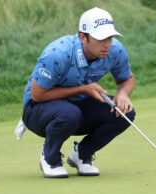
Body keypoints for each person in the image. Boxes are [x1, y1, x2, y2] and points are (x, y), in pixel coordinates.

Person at [21, 7, 135, 178]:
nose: (107, 44)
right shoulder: (58, 54)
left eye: (109, 37)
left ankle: (82, 155)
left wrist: (123, 93)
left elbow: (127, 78)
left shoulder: (115, 51)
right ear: (83, 37)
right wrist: (83, 89)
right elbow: (38, 95)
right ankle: (49, 158)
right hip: (37, 110)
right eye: (100, 38)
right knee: (69, 113)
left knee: (124, 113)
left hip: (78, 106)